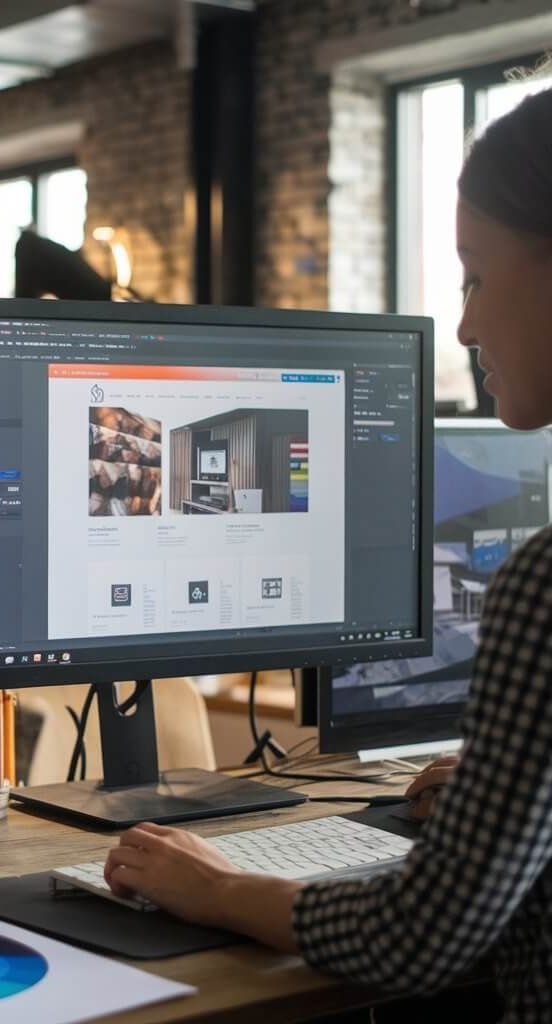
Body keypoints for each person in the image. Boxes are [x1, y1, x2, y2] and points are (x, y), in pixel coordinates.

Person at [104, 77, 552, 1023]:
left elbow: (420, 935)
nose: (465, 325)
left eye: (475, 275)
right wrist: (510, 797)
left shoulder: (545, 587)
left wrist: (215, 887)